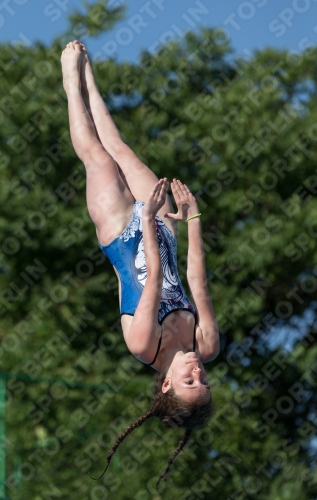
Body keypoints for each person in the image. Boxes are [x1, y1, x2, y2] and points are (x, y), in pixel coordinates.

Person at [61, 40, 220, 490]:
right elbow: (196, 280)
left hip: (123, 234)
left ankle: (72, 80)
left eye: (191, 381)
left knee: (96, 155)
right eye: (204, 379)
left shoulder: (142, 344)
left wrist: (146, 218)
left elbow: (149, 279)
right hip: (164, 229)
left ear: (167, 387)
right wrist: (192, 219)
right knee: (120, 147)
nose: (198, 370)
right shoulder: (205, 344)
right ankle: (91, 75)